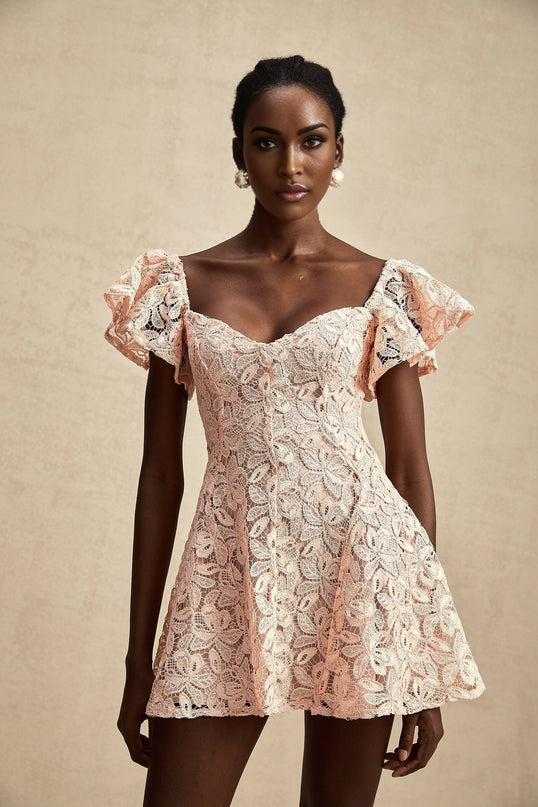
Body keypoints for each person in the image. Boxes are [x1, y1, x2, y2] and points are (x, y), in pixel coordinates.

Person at [104, 55, 486, 807]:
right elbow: (160, 476)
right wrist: (137, 657)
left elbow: (408, 475)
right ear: (239, 153)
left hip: (361, 572)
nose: (291, 163)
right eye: (266, 141)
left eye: (312, 140)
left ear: (339, 150)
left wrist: (415, 657)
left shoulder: (383, 286)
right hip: (226, 570)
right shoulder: (180, 286)